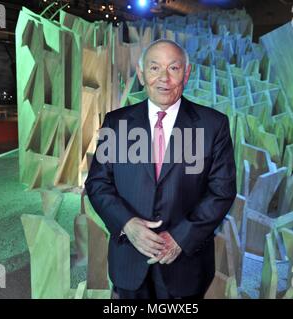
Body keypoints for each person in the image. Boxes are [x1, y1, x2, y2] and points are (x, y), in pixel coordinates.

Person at [85, 39, 237, 299]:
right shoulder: (116, 122)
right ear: (142, 74)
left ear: (186, 73)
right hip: (129, 259)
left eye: (174, 68)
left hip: (185, 264)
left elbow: (221, 191)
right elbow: (98, 183)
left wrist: (180, 238)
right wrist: (127, 224)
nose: (164, 78)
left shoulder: (214, 125)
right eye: (154, 68)